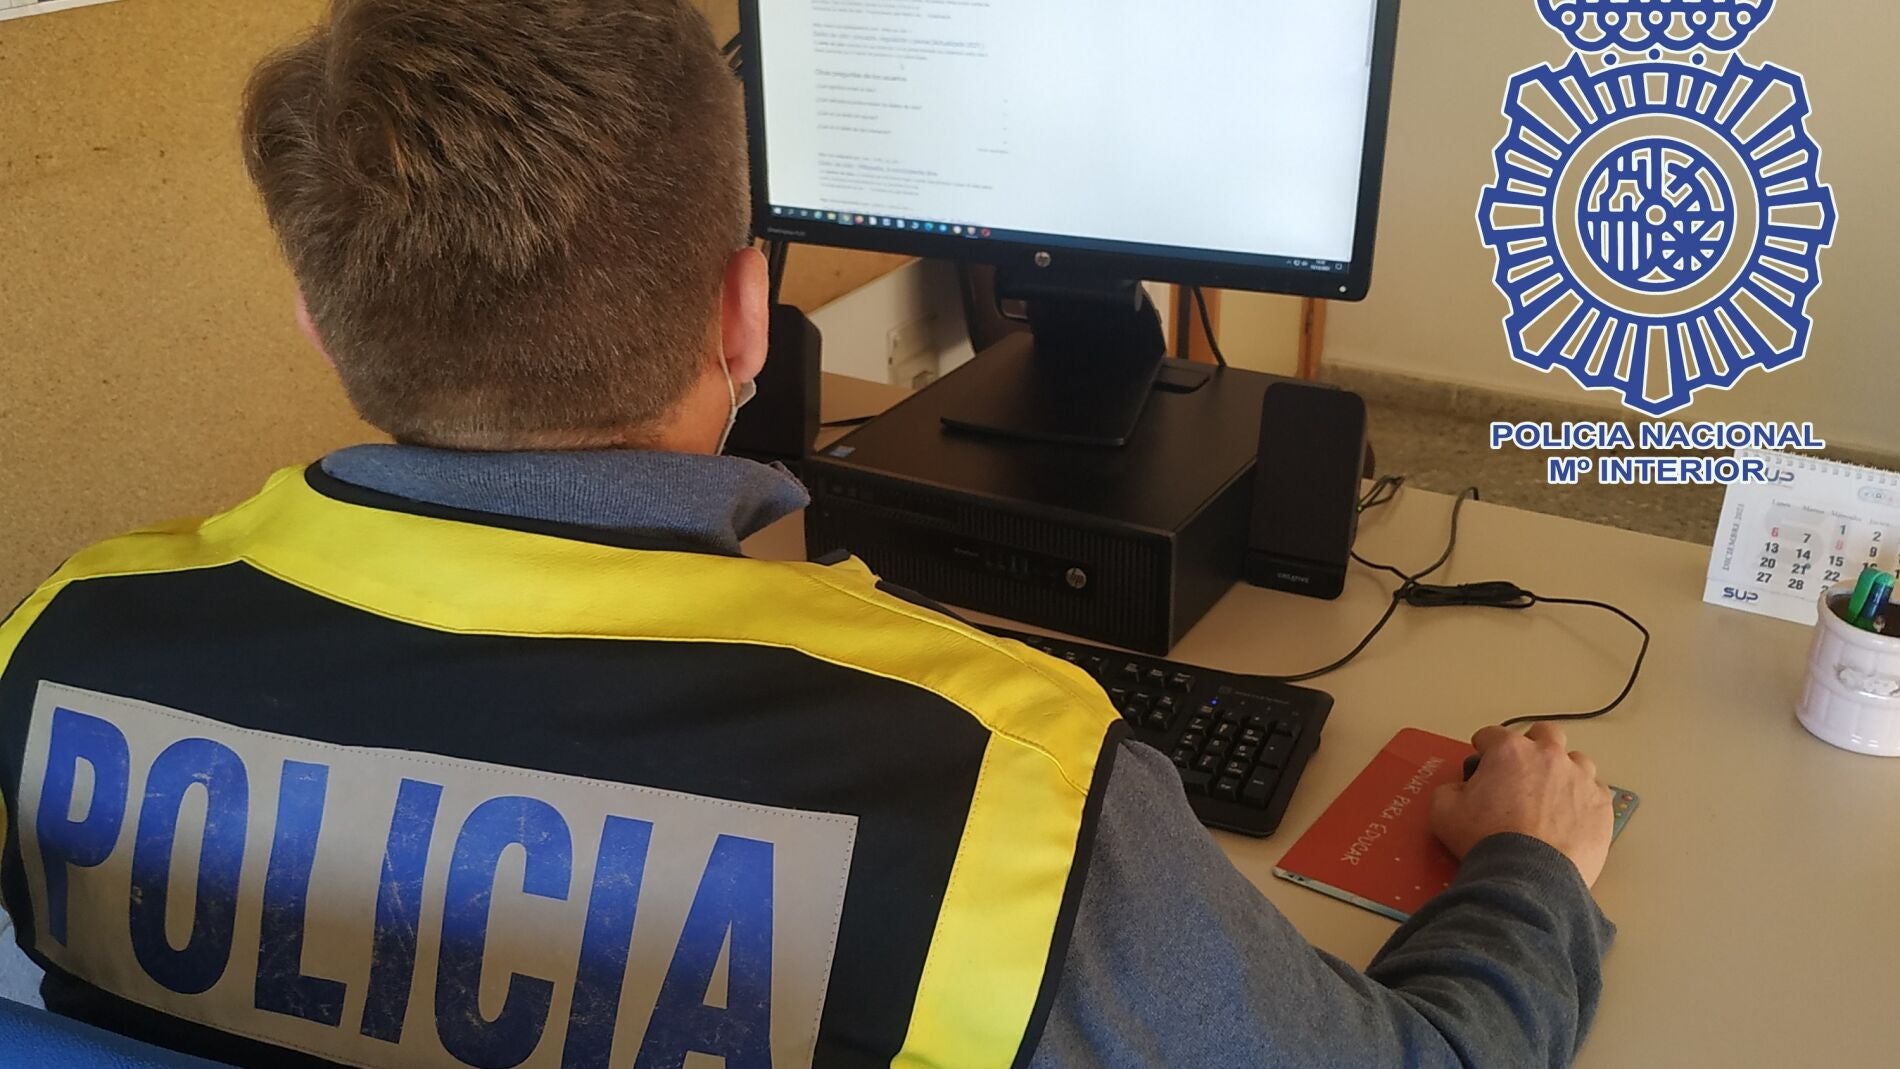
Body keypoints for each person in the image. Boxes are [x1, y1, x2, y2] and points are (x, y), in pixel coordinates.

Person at [0, 1, 1617, 1066]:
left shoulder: (57, 639)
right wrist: (1531, 865)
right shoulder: (999, 777)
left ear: (320, 321)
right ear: (746, 314)